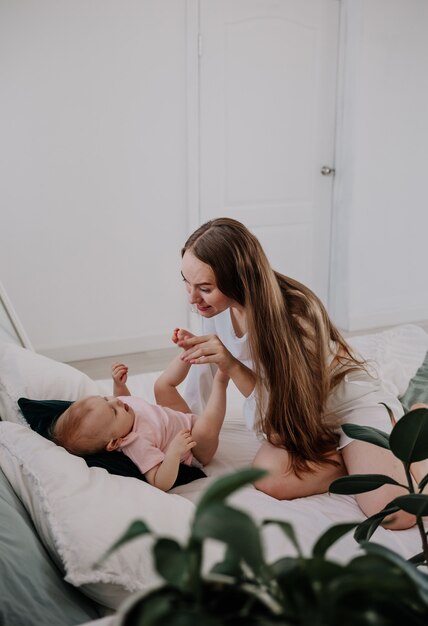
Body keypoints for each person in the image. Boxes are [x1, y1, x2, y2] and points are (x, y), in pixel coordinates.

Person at [176, 217, 418, 529]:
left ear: (238, 279)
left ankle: (413, 424)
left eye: (205, 288)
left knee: (396, 514)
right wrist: (178, 436)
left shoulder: (295, 315)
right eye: (186, 282)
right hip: (306, 421)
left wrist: (233, 366)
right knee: (267, 477)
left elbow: (281, 427)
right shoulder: (218, 310)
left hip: (347, 406)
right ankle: (352, 457)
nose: (192, 299)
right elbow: (201, 398)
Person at [52, 335, 228, 492]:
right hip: (193, 446)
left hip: (179, 418)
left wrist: (119, 385)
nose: (116, 401)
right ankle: (221, 381)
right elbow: (159, 482)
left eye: (105, 399)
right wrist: (174, 452)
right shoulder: (136, 444)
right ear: (115, 442)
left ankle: (189, 352)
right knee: (205, 427)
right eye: (113, 411)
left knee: (161, 386)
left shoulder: (121, 411)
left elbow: (124, 400)